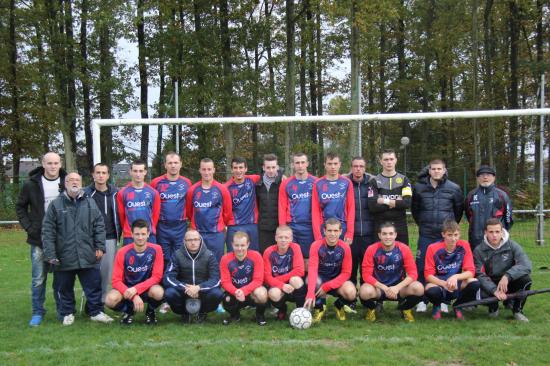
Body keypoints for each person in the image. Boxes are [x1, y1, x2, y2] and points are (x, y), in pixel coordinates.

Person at [42, 172, 113, 325]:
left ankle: (96, 312)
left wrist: (100, 246)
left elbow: (99, 225)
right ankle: (67, 313)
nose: (74, 182)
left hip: (87, 254)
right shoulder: (56, 205)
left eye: (77, 180)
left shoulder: (89, 203)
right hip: (63, 256)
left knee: (93, 285)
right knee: (64, 287)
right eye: (71, 180)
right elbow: (48, 231)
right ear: (65, 183)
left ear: (81, 183)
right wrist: (51, 254)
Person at [16, 151, 67, 326]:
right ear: (43, 164)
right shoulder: (31, 184)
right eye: (49, 163)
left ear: (60, 164)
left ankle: (62, 311)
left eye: (56, 163)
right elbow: (20, 207)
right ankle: (38, 312)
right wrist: (29, 228)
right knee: (39, 278)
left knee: (60, 278)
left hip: (61, 240)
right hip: (38, 239)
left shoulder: (67, 182)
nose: (53, 166)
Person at [411, 158, 463, 312]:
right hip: (426, 234)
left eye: (439, 169)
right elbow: (415, 210)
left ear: (444, 170)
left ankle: (444, 300)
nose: (436, 171)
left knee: (446, 268)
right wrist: (424, 224)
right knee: (422, 267)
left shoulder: (454, 188)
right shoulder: (419, 188)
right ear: (429, 170)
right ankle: (422, 299)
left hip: (444, 237)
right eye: (433, 169)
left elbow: (458, 212)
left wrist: (448, 229)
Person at [359, 222, 424, 322]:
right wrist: (384, 287)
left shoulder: (404, 249)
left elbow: (413, 274)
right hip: (379, 289)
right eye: (384, 234)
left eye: (390, 233)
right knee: (364, 291)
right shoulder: (372, 249)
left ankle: (405, 309)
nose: (387, 237)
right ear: (379, 235)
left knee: (418, 288)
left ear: (395, 235)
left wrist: (397, 287)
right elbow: (366, 275)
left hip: (399, 289)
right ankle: (372, 309)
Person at [105, 219, 165, 325]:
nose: (140, 237)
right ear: (131, 234)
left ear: (148, 234)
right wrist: (133, 295)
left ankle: (150, 312)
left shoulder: (157, 249)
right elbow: (116, 281)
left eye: (143, 234)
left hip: (147, 288)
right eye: (137, 234)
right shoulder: (122, 252)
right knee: (110, 299)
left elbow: (157, 277)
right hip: (127, 289)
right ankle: (128, 311)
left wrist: (136, 289)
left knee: (159, 293)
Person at [473, 218, 531, 322]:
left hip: (508, 281)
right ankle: (493, 307)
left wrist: (507, 276)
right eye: (491, 232)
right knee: (476, 285)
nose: (494, 235)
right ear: (485, 232)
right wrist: (494, 290)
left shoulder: (512, 245)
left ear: (502, 231)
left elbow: (526, 265)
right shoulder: (478, 250)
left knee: (526, 280)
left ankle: (517, 310)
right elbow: (479, 274)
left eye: (497, 232)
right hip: (490, 284)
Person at [163, 229, 223, 323]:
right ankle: (184, 313)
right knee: (169, 293)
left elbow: (216, 279)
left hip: (203, 292)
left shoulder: (209, 255)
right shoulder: (177, 255)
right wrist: (186, 288)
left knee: (217, 294)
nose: (193, 242)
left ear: (200, 240)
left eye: (196, 239)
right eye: (189, 240)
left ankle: (202, 312)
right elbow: (168, 277)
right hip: (183, 292)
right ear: (184, 241)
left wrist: (199, 287)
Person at [424, 219, 479, 320]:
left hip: (456, 282)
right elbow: (428, 275)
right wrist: (444, 284)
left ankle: (458, 306)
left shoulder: (464, 245)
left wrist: (456, 276)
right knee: (430, 290)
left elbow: (471, 271)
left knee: (474, 283)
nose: (453, 239)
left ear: (459, 235)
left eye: (456, 235)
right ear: (443, 234)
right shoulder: (432, 248)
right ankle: (437, 306)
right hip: (440, 283)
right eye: (449, 235)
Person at [304, 218, 357, 323]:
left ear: (341, 232)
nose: (332, 234)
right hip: (320, 281)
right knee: (310, 282)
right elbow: (313, 269)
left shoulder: (345, 247)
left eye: (336, 231)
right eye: (329, 231)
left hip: (337, 281)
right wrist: (310, 293)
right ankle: (320, 308)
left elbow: (346, 273)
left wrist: (328, 286)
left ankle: (338, 305)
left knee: (351, 292)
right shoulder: (316, 245)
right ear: (324, 231)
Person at [83, 163, 121, 302]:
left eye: (103, 173)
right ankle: (91, 300)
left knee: (106, 272)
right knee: (91, 272)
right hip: (90, 239)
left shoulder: (116, 193)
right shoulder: (85, 194)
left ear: (108, 175)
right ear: (93, 175)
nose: (100, 175)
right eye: (97, 172)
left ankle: (102, 300)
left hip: (110, 237)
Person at [186, 158, 234, 262]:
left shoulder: (222, 189)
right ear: (200, 170)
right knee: (198, 263)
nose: (206, 172)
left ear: (214, 170)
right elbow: (189, 212)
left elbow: (228, 212)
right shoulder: (192, 190)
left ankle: (217, 279)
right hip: (198, 233)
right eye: (204, 169)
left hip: (216, 234)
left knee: (216, 263)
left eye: (209, 169)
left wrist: (220, 225)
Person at [151, 152, 192, 267]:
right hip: (162, 226)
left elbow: (189, 204)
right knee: (163, 258)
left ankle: (178, 283)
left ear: (180, 164)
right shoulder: (156, 183)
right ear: (165, 165)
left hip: (180, 226)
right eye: (170, 163)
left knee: (180, 257)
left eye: (175, 163)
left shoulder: (187, 183)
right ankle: (164, 282)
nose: (173, 166)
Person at [219, 231, 268, 326]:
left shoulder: (256, 256)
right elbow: (225, 282)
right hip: (235, 292)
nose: (239, 248)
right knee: (227, 299)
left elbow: (258, 280)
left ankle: (260, 315)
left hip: (251, 292)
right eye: (236, 245)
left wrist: (244, 291)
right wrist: (236, 291)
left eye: (242, 245)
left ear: (248, 244)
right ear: (232, 244)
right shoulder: (225, 259)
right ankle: (235, 315)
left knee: (262, 294)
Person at [278, 153, 316, 267]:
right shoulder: (286, 183)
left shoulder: (316, 182)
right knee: (291, 259)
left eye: (303, 162)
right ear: (293, 165)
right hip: (292, 227)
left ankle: (307, 284)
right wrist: (283, 228)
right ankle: (293, 283)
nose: (300, 165)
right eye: (297, 163)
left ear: (307, 164)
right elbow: (282, 207)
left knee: (308, 260)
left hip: (309, 227)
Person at [367, 149, 412, 244]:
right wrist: (396, 202)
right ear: (381, 161)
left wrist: (383, 200)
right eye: (386, 159)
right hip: (380, 224)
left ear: (396, 160)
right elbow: (372, 206)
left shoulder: (404, 180)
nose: (389, 162)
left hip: (400, 225)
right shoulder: (374, 181)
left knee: (402, 255)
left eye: (391, 159)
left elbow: (407, 203)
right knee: (379, 256)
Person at [263, 225, 306, 320]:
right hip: (277, 286)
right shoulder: (268, 252)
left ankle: (301, 311)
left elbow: (300, 271)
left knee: (296, 279)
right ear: (275, 238)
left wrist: (280, 280)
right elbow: (266, 277)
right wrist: (281, 285)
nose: (283, 240)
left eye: (286, 237)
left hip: (291, 285)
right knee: (273, 293)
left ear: (291, 239)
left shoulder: (295, 248)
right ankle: (282, 309)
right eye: (280, 237)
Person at [465, 165, 513, 251]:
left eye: (488, 175)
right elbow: (469, 216)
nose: (485, 177)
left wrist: (499, 233)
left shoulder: (502, 195)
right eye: (482, 175)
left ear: (494, 177)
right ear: (478, 178)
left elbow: (508, 218)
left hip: (496, 240)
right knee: (477, 263)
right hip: (476, 240)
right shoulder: (471, 195)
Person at [311, 152, 355, 244]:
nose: (333, 167)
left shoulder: (347, 182)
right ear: (325, 165)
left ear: (340, 165)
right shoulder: (318, 183)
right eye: (330, 164)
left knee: (342, 256)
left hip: (342, 227)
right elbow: (315, 210)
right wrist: (318, 235)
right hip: (325, 228)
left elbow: (351, 209)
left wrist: (350, 233)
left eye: (335, 164)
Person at [345, 156, 376, 286]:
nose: (358, 169)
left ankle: (366, 297)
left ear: (365, 168)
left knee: (366, 269)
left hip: (368, 235)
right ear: (351, 168)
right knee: (350, 269)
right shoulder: (345, 183)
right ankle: (350, 298)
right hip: (351, 236)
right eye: (355, 166)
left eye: (361, 166)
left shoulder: (372, 183)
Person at [117, 160, 161, 245]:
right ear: (130, 172)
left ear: (145, 172)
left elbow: (156, 215)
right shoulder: (122, 193)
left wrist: (148, 230)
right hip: (130, 236)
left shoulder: (153, 193)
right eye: (135, 171)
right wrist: (128, 230)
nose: (138, 174)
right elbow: (122, 216)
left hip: (149, 235)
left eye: (141, 171)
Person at [225, 157, 261, 251]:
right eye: (235, 168)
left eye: (241, 167)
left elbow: (269, 175)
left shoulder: (253, 179)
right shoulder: (226, 187)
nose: (238, 170)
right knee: (233, 256)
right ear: (232, 169)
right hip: (234, 226)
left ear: (246, 169)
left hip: (252, 224)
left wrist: (281, 175)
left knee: (254, 255)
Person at [256, 154, 285, 253]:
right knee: (264, 255)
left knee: (279, 256)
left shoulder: (283, 182)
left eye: (273, 167)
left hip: (279, 227)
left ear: (277, 167)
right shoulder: (258, 184)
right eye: (268, 167)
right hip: (263, 228)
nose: (271, 170)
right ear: (263, 168)